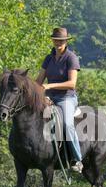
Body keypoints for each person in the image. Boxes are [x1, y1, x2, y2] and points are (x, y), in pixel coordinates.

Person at [35, 27, 83, 173]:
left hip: (66, 98)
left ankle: (77, 159)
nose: (58, 42)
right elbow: (38, 81)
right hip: (49, 97)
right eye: (56, 40)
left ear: (65, 41)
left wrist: (50, 85)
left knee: (67, 124)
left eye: (61, 40)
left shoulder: (71, 58)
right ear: (53, 40)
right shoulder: (48, 58)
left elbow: (72, 83)